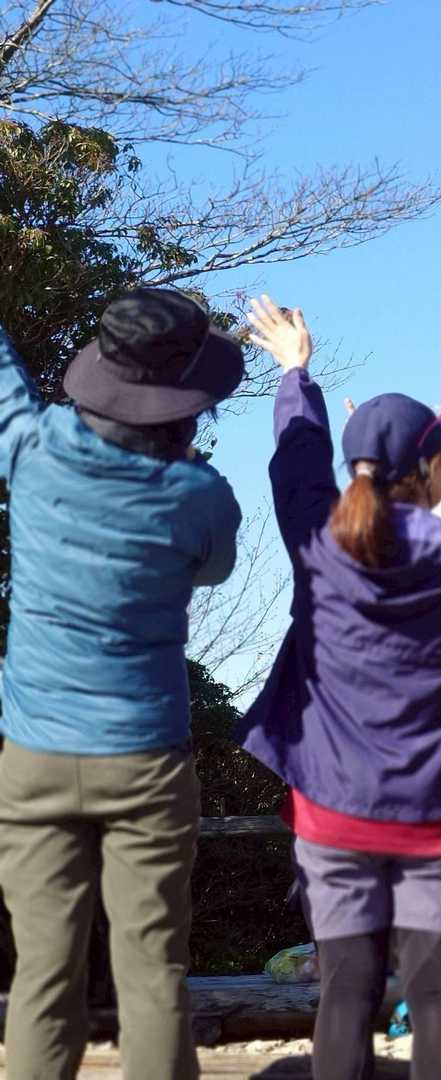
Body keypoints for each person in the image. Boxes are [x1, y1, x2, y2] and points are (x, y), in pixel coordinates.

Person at [238, 297, 441, 1080]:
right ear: (432, 471)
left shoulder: (318, 544)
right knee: (439, 994)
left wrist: (297, 373)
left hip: (333, 807)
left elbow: (297, 463)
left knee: (346, 991)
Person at [0, 288, 244, 1080]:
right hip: (146, 759)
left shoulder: (30, 449)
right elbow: (214, 568)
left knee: (42, 973)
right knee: (153, 971)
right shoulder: (200, 497)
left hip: (33, 756)